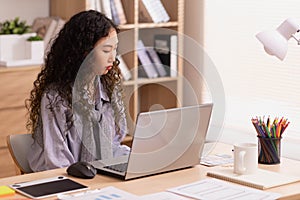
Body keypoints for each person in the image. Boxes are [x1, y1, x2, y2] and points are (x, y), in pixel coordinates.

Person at [26, 10, 130, 172]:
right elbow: (57, 160)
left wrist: (134, 158)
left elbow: (114, 144)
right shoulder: (56, 97)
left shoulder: (108, 89)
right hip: (61, 179)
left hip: (97, 174)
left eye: (115, 49)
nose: (112, 58)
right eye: (106, 50)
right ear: (84, 52)